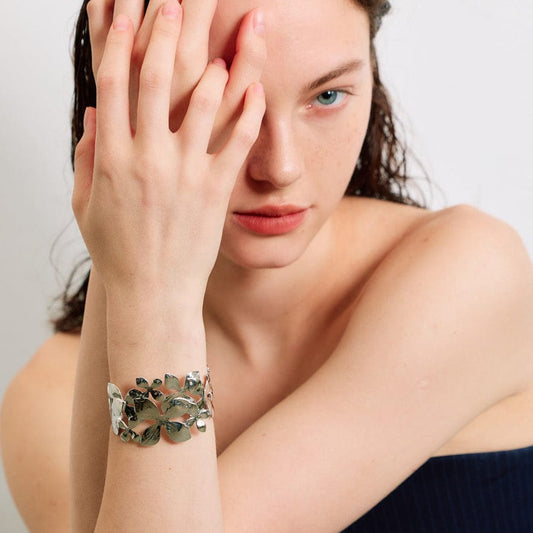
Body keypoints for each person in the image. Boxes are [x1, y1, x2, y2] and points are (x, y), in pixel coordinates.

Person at [1, 0, 533, 531]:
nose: (280, 167)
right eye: (221, 101)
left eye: (327, 96)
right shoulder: (47, 398)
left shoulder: (469, 275)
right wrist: (146, 280)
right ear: (129, 102)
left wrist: (150, 288)